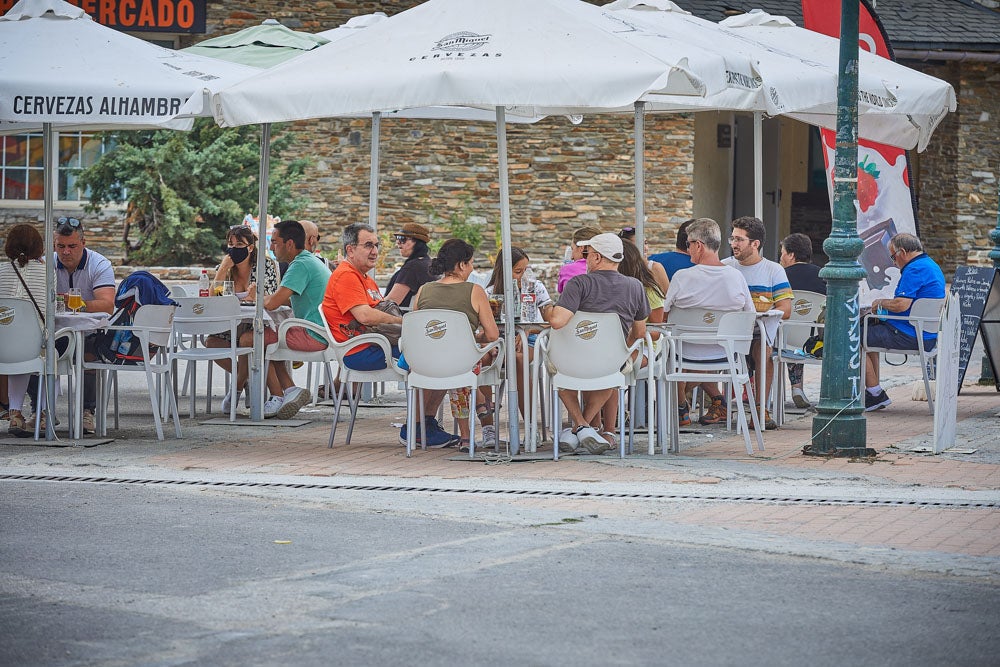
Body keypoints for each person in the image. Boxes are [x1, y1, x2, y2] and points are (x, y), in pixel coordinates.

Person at [322, 224, 457, 447]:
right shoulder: (346, 276)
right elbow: (365, 316)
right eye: (368, 245)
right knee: (432, 357)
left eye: (376, 245)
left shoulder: (364, 277)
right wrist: (402, 322)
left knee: (441, 355)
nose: (375, 251)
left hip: (376, 344)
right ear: (350, 250)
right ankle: (415, 428)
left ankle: (425, 423)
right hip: (361, 351)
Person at [548, 232, 649, 455]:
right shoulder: (635, 286)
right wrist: (621, 348)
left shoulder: (579, 283)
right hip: (611, 362)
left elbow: (557, 321)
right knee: (615, 374)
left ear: (595, 257)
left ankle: (579, 426)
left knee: (556, 370)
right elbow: (640, 332)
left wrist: (546, 308)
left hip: (571, 360)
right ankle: (583, 428)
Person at [662, 218, 755, 428]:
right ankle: (688, 406)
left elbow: (664, 318)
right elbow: (750, 315)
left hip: (683, 355)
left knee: (665, 348)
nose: (688, 250)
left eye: (688, 245)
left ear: (698, 245)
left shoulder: (681, 277)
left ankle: (679, 408)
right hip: (725, 354)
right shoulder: (736, 277)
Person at [237, 220, 330, 419]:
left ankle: (278, 395)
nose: (270, 247)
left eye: (274, 242)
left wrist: (255, 297)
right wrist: (266, 298)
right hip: (324, 330)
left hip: (315, 334)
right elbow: (288, 298)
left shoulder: (300, 265)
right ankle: (288, 390)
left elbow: (272, 303)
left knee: (249, 339)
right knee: (268, 338)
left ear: (289, 244)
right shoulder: (309, 260)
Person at [413, 239, 500, 450]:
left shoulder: (423, 290)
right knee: (471, 361)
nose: (472, 269)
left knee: (458, 361)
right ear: (461, 265)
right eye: (470, 263)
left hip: (425, 364)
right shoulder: (475, 291)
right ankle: (479, 422)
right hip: (460, 364)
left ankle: (468, 433)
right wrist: (472, 338)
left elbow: (416, 331)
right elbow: (492, 334)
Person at [722, 216, 793, 430]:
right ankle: (716, 402)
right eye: (732, 238)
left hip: (757, 331)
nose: (734, 244)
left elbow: (786, 310)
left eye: (739, 240)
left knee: (764, 350)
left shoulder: (773, 270)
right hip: (728, 331)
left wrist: (765, 313)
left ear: (755, 244)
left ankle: (761, 409)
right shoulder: (725, 267)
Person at [864, 233, 945, 412]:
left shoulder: (914, 269)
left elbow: (901, 305)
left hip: (910, 334)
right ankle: (873, 392)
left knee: (854, 337)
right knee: (868, 333)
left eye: (893, 256)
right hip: (925, 333)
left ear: (902, 252)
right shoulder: (929, 264)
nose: (893, 262)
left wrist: (880, 302)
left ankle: (875, 393)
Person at [52, 217, 115, 435]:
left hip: (89, 332)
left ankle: (87, 411)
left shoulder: (99, 264)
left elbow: (107, 305)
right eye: (61, 246)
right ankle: (39, 411)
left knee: (89, 354)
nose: (66, 252)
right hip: (56, 331)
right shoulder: (46, 264)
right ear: (54, 244)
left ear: (83, 243)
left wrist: (76, 303)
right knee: (35, 349)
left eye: (72, 246)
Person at [484, 246, 554, 424]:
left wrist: (529, 329)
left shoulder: (535, 287)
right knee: (483, 359)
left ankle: (530, 426)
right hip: (499, 342)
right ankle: (488, 425)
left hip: (529, 340)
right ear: (504, 271)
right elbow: (485, 328)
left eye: (526, 270)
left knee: (518, 359)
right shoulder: (490, 293)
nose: (523, 275)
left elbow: (550, 322)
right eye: (518, 271)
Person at [1, 224, 54, 436]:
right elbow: (51, 311)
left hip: (3, 348)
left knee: (16, 352)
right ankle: (42, 414)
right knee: (52, 356)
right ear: (39, 247)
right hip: (34, 348)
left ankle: (15, 414)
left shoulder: (2, 271)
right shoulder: (48, 273)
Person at [779, 233, 826, 409]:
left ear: (791, 254)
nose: (780, 257)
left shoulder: (780, 276)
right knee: (796, 338)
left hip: (786, 335)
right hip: (816, 337)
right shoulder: (824, 275)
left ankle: (772, 392)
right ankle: (798, 389)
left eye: (782, 252)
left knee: (780, 336)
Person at [384, 223, 436, 310]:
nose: (398, 242)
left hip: (403, 320)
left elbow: (392, 301)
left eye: (402, 239)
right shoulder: (426, 262)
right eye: (397, 238)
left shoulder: (412, 267)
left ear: (417, 242)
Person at [620, 226, 670, 296]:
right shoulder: (617, 268)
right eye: (640, 244)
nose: (645, 248)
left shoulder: (655, 267)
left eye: (646, 243)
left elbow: (667, 297)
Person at [557, 226, 601, 294]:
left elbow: (561, 291)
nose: (571, 257)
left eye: (572, 249)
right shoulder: (609, 268)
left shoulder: (568, 269)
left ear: (582, 248)